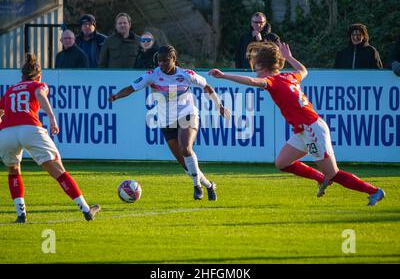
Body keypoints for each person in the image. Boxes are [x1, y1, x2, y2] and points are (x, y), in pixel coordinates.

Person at [209, 41, 385, 206]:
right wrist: (289, 57)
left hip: (312, 130)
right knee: (282, 163)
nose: (255, 71)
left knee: (333, 173)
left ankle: (374, 191)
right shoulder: (290, 77)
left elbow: (252, 82)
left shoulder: (273, 81)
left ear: (264, 66)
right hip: (304, 130)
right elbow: (303, 70)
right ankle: (321, 178)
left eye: (256, 66)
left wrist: (223, 76)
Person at [109, 45, 231, 200]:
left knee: (185, 147)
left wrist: (219, 105)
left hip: (187, 114)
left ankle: (197, 186)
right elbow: (131, 88)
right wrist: (116, 96)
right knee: (185, 163)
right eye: (159, 61)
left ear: (174, 59)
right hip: (166, 121)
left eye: (165, 61)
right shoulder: (153, 75)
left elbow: (207, 87)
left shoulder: (186, 75)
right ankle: (209, 185)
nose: (162, 64)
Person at [0, 53, 100, 223]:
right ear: (39, 75)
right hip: (30, 129)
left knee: (13, 170)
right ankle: (85, 209)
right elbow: (40, 94)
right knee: (57, 169)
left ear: (22, 76)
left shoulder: (10, 90)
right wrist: (52, 118)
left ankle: (21, 214)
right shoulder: (38, 84)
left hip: (6, 132)